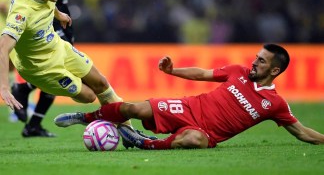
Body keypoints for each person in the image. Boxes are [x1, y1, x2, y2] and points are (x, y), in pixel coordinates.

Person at [0, 0, 154, 148]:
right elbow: (3, 47)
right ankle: (86, 117)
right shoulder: (21, 13)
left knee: (101, 83)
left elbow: (44, 1)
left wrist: (58, 14)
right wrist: (4, 87)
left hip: (58, 47)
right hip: (42, 68)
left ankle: (130, 132)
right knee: (89, 96)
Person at [55, 44, 324, 149]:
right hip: (188, 107)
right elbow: (202, 74)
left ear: (275, 70)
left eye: (262, 62)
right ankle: (86, 117)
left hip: (206, 132)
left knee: (192, 139)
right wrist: (173, 71)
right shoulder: (237, 72)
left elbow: (302, 132)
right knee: (134, 109)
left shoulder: (274, 104)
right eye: (256, 57)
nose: (254, 63)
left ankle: (145, 143)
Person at [2, 0, 114, 137]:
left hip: (55, 7)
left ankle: (33, 122)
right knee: (87, 94)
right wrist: (3, 87)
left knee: (97, 83)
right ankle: (24, 89)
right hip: (37, 19)